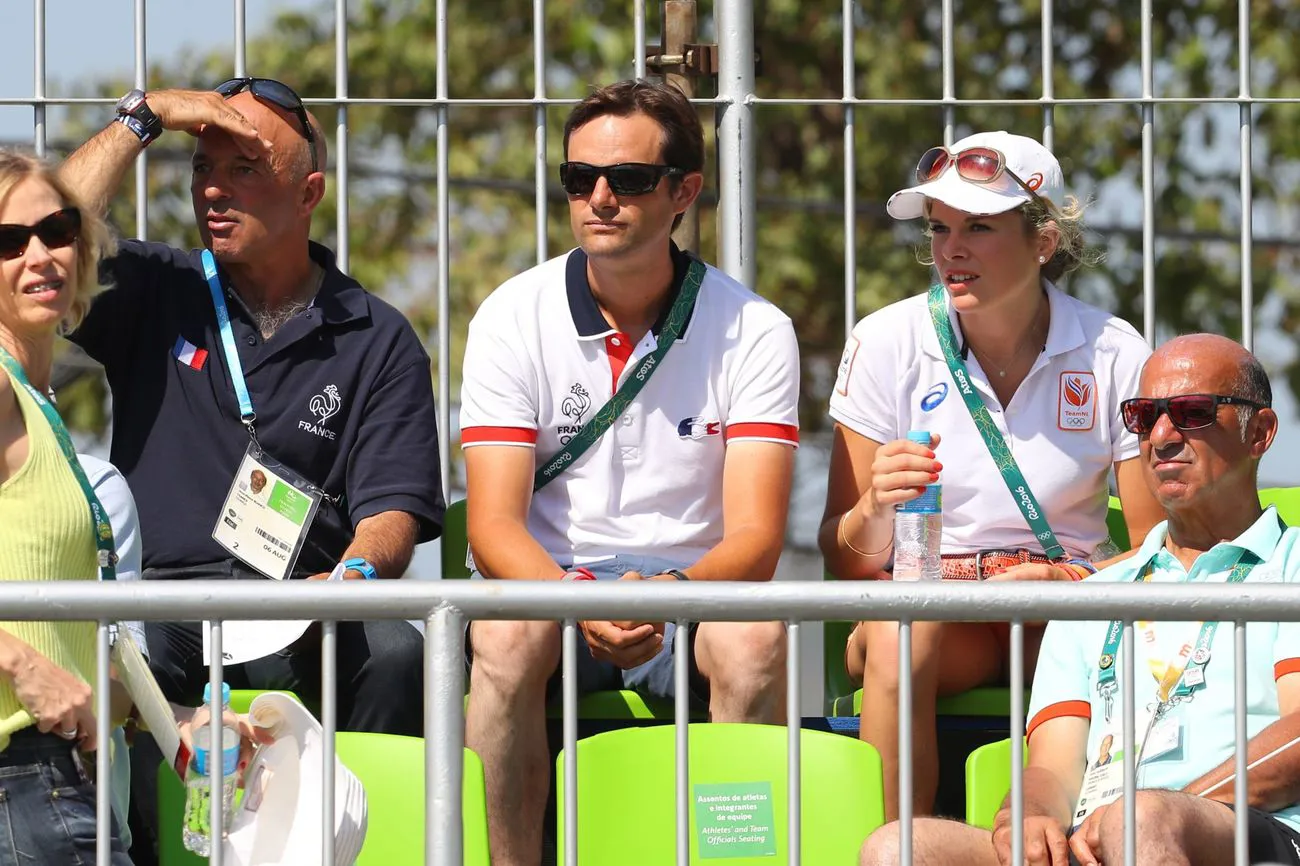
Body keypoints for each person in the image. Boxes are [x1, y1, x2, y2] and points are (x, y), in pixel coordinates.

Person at [460, 79, 799, 864]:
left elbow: (756, 539)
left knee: (754, 646)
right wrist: (583, 601)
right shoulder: (512, 314)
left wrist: (672, 599)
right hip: (554, 589)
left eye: (630, 180)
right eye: (580, 179)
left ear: (685, 191)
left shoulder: (756, 328)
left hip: (695, 595)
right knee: (506, 636)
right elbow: (493, 529)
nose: (600, 199)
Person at [57, 79, 444, 735]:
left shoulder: (377, 336)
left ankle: (367, 837)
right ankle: (147, 842)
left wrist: (350, 578)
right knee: (126, 650)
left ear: (309, 194)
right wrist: (143, 118)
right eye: (203, 168)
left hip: (303, 603)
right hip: (166, 600)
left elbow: (392, 513)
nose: (213, 190)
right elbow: (41, 240)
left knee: (397, 651)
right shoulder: (157, 287)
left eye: (244, 169)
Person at [819, 131, 1164, 819]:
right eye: (940, 227)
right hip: (943, 610)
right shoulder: (886, 341)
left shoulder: (1114, 349)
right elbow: (844, 561)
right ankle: (899, 851)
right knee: (898, 629)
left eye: (980, 226)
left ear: (1043, 242)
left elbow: (1158, 555)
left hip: (1074, 609)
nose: (951, 248)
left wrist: (1064, 581)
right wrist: (876, 510)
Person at [860, 333, 1300, 865]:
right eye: (1143, 416)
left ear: (1261, 432)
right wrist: (1026, 816)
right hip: (1096, 841)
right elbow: (1052, 766)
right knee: (900, 848)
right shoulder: (1095, 594)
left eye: (1192, 412)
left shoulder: (1290, 563)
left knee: (1142, 822)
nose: (1161, 436)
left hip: (1248, 829)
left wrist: (1155, 811)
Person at [0, 150, 134, 863]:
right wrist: (21, 666)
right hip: (19, 786)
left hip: (57, 782)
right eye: (7, 241)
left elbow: (70, 662)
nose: (39, 254)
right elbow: (40, 667)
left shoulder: (37, 402)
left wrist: (180, 720)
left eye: (55, 230)